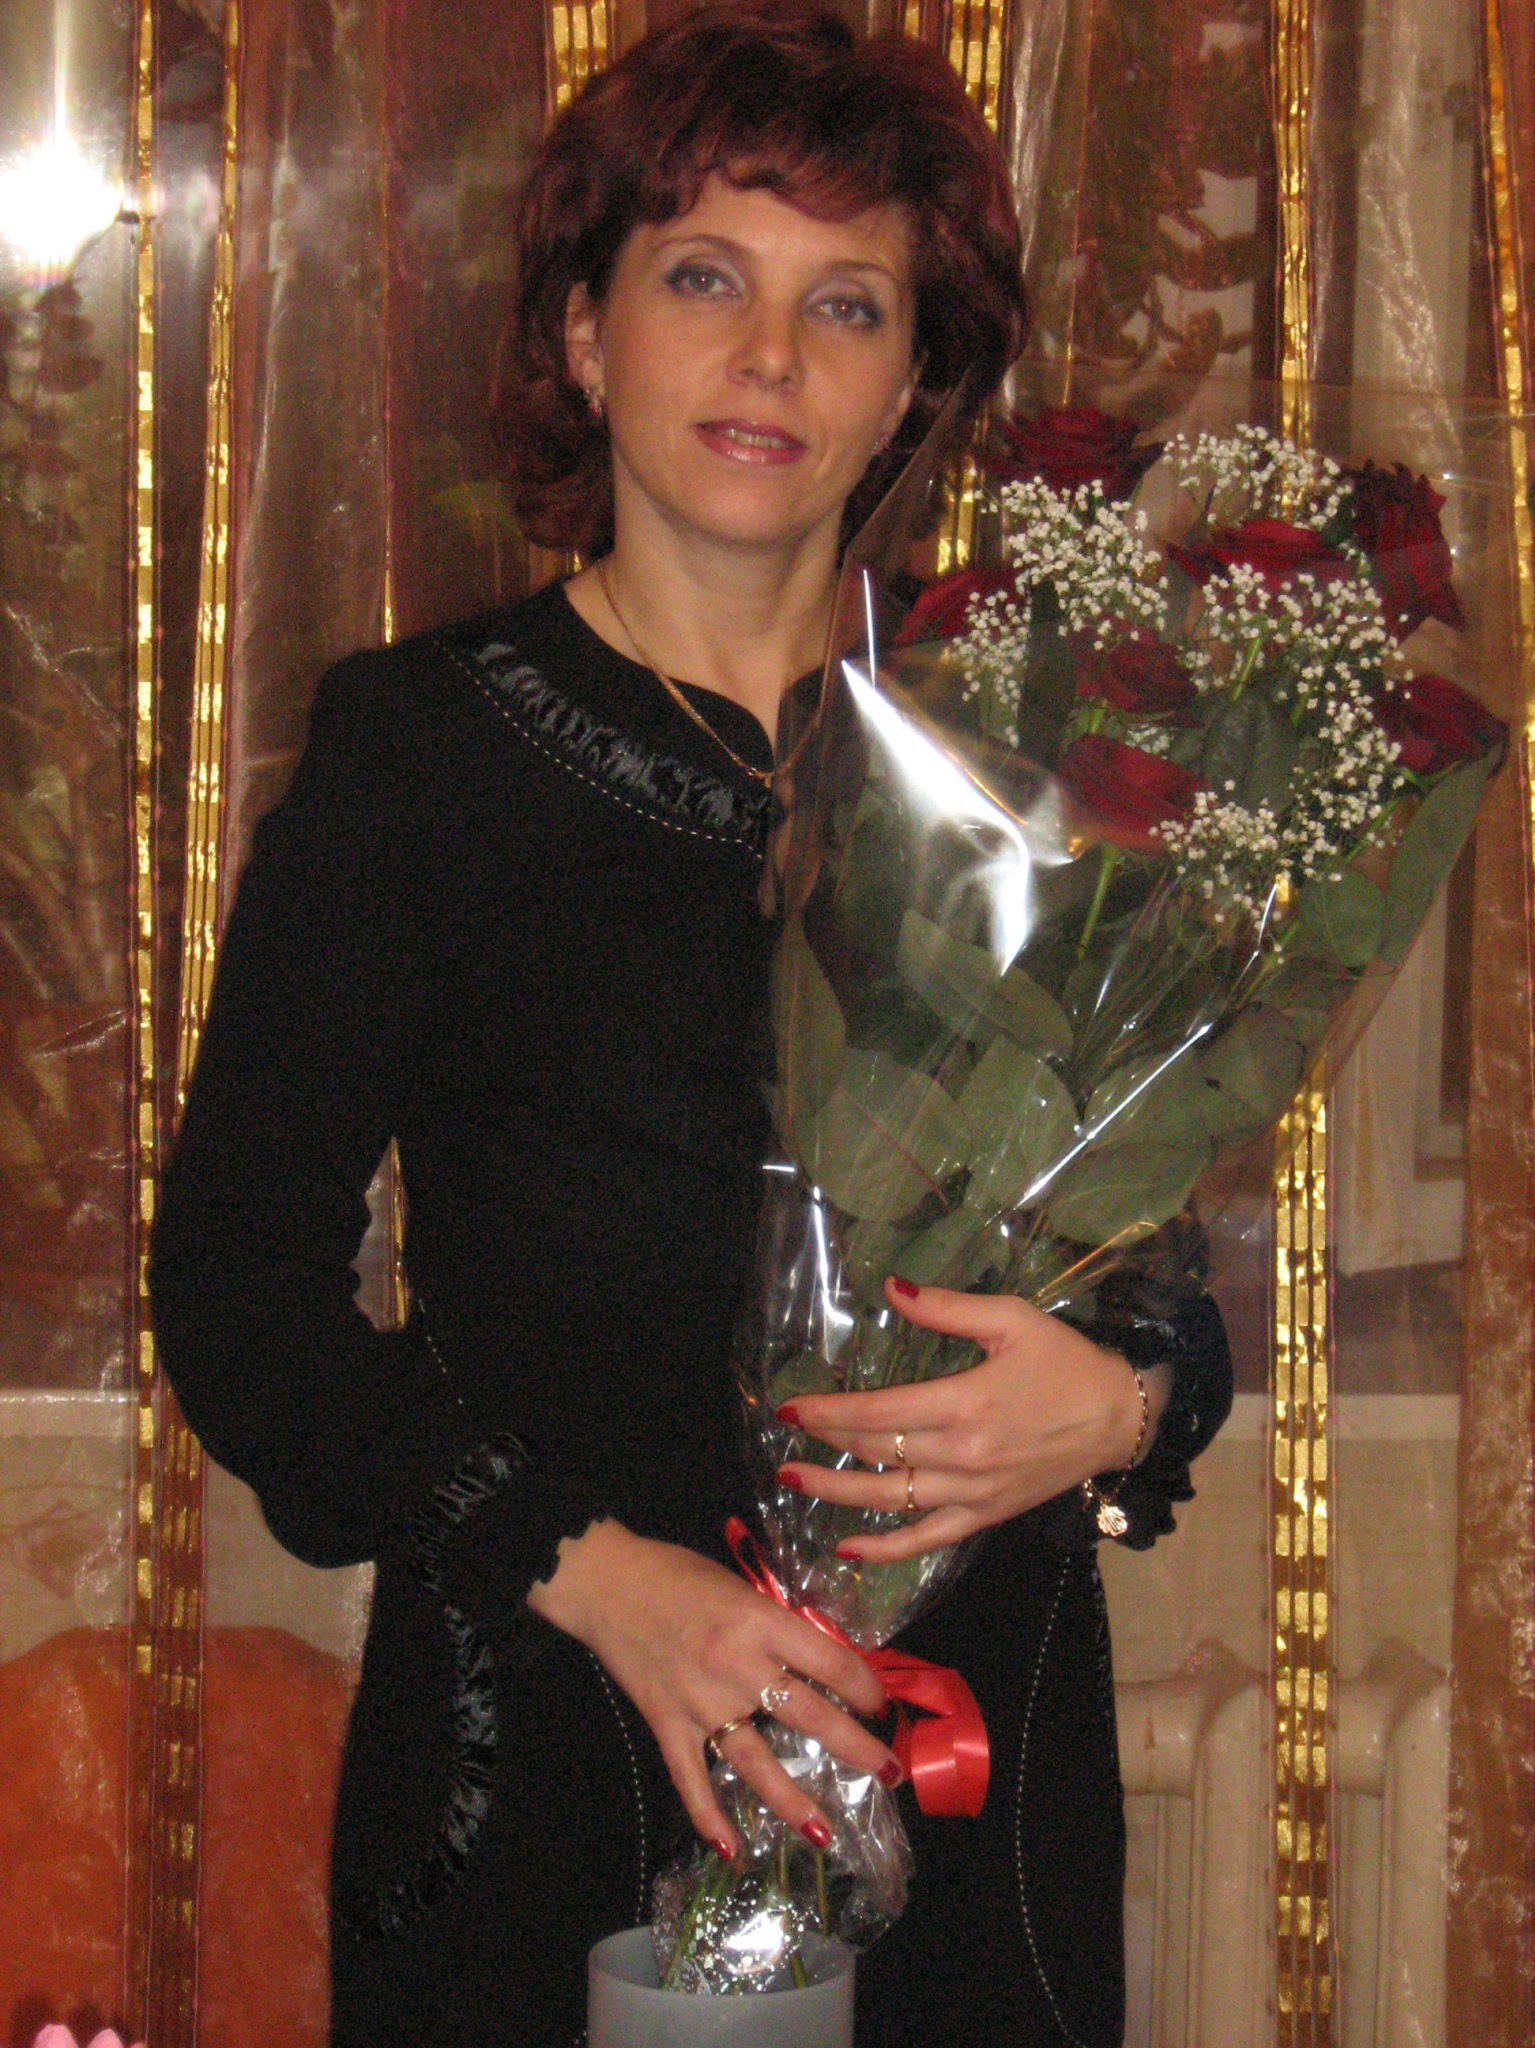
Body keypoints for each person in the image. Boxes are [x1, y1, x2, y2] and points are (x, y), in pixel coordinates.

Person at [149, 6, 1232, 2044]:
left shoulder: (1030, 763)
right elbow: (237, 1294)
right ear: (586, 333)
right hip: (554, 1745)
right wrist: (592, 1570)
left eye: (849, 305)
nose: (772, 358)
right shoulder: (418, 754)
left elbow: (1148, 1268)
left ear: (911, 382)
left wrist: (1128, 1405)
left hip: (963, 1778)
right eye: (705, 278)